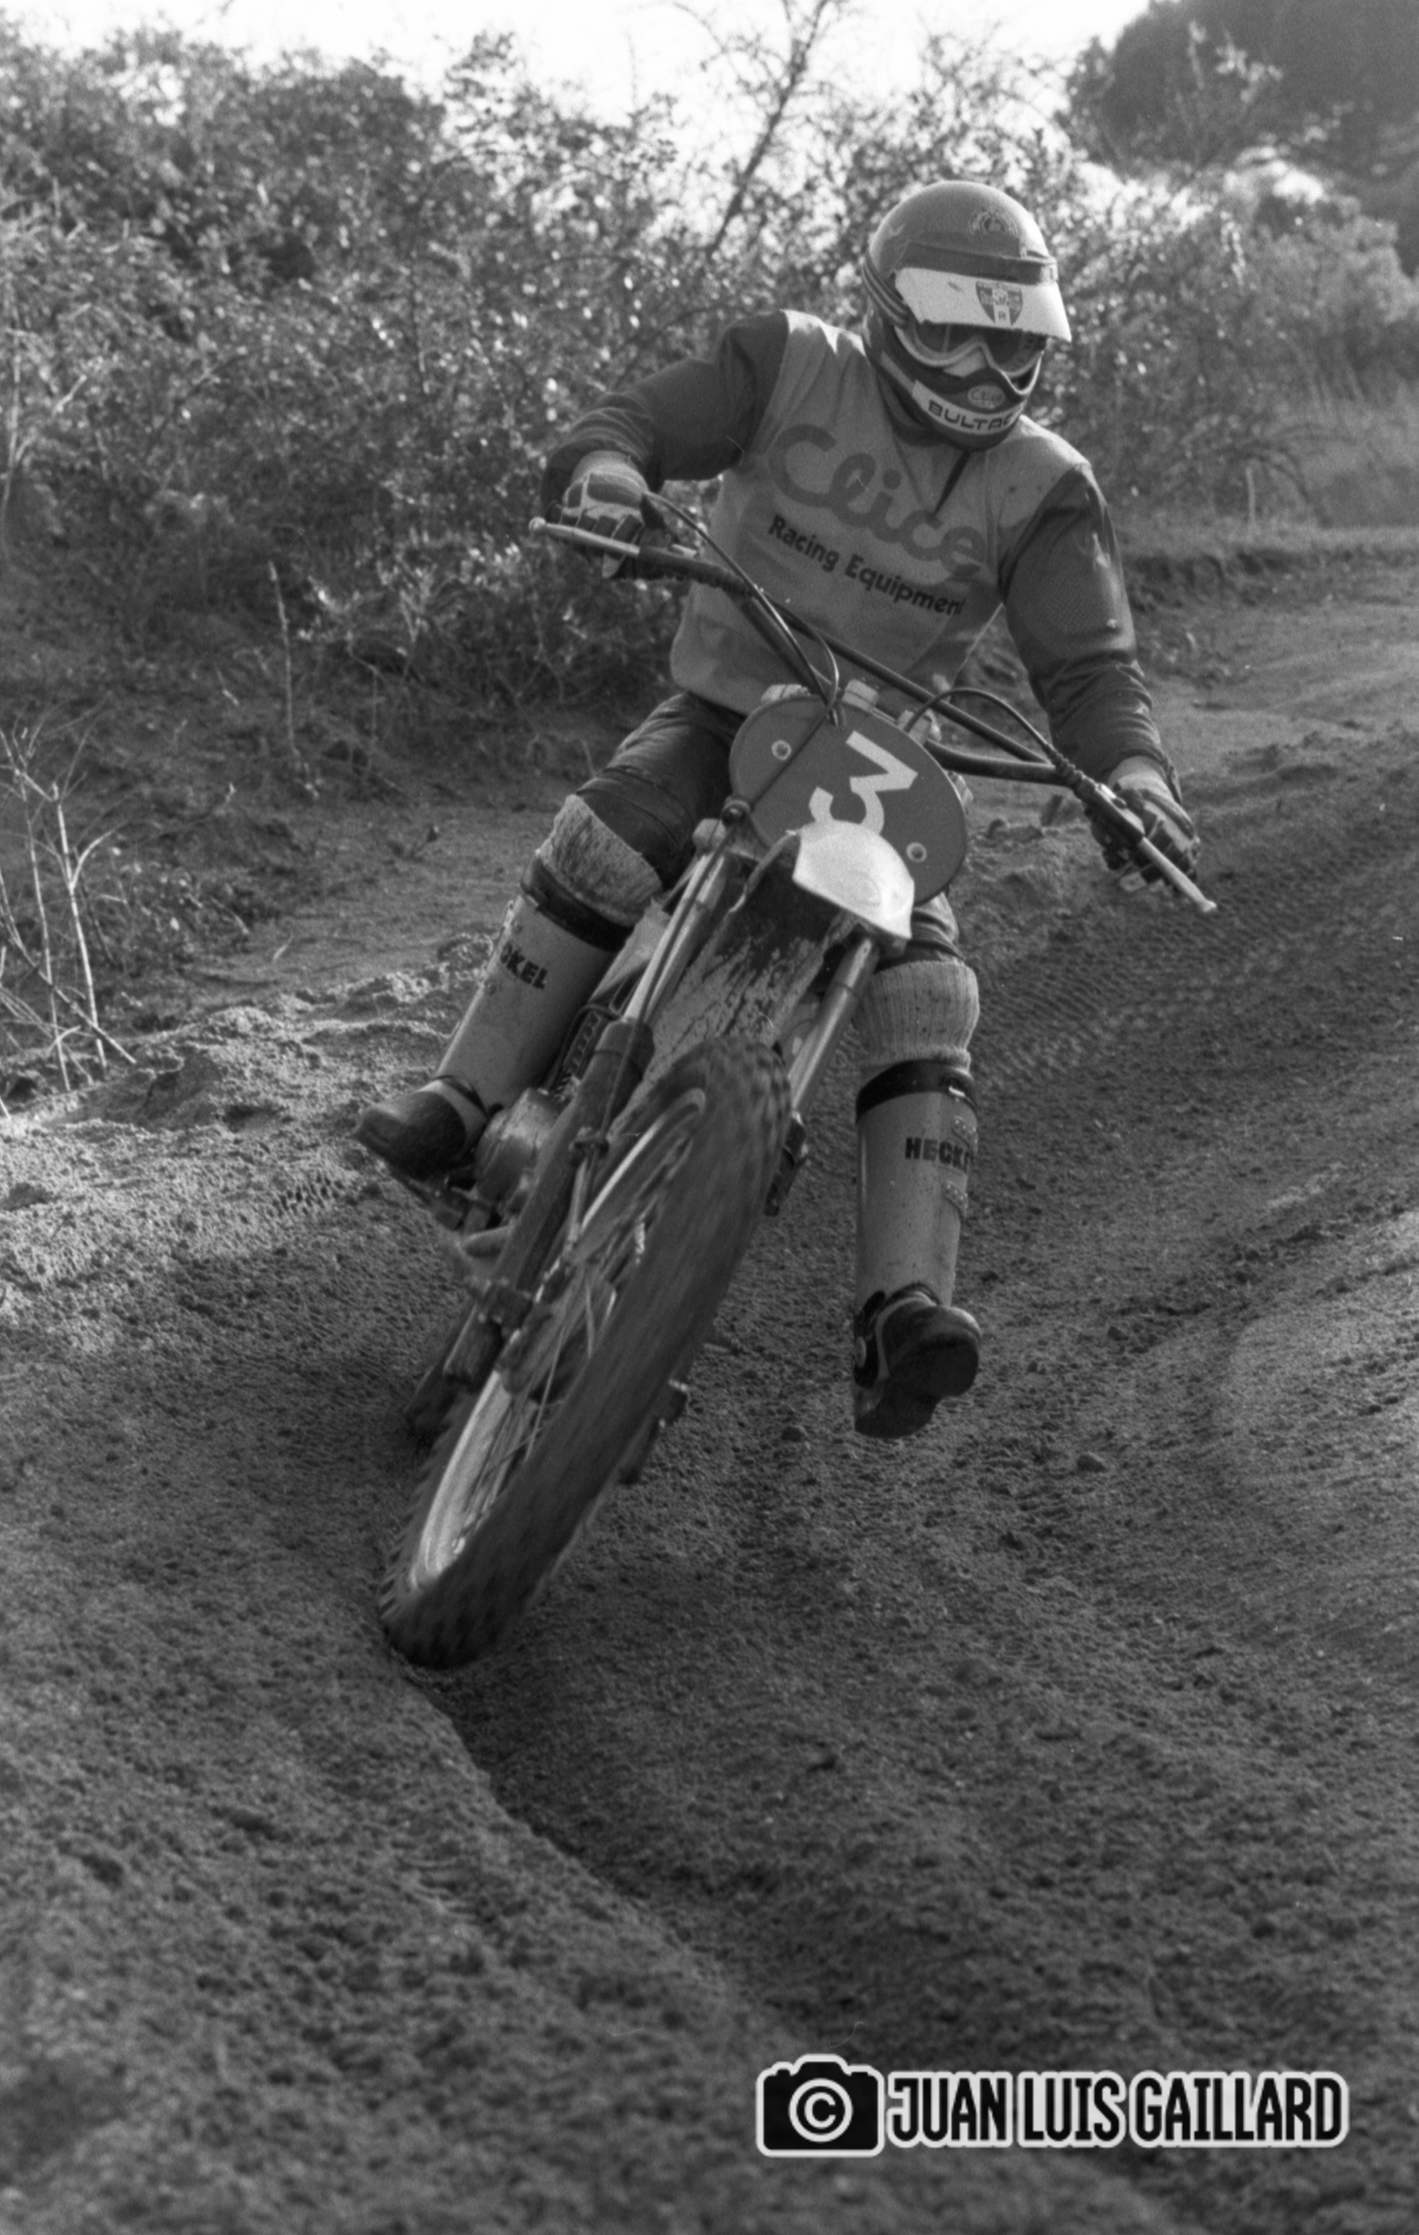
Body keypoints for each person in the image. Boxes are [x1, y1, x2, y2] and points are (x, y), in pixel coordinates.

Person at [357, 179, 1199, 1440]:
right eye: (956, 334)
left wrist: (1135, 779)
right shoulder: (788, 362)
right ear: (888, 312)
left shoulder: (1045, 485)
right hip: (725, 711)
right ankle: (465, 1100)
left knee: (930, 991)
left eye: (1014, 341)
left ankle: (901, 1310)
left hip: (878, 770)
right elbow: (635, 425)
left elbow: (1092, 673)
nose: (987, 369)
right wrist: (605, 474)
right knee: (613, 834)